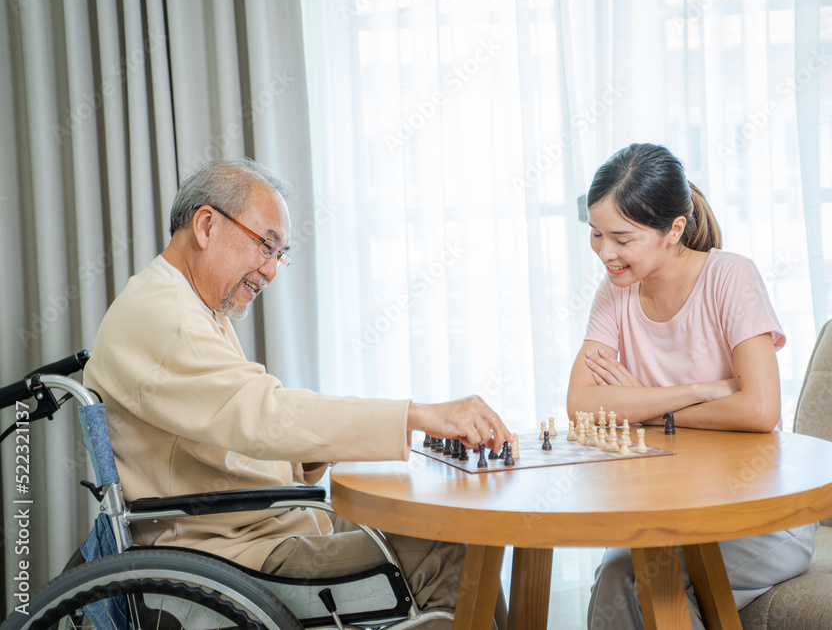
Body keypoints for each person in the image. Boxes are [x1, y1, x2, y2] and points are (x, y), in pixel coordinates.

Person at [83, 158, 511, 629]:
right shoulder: (164, 315)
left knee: (444, 524)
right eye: (266, 245)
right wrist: (420, 416)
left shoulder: (185, 303)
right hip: (237, 555)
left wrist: (305, 460)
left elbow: (228, 420)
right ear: (206, 225)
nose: (271, 270)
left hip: (261, 526)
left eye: (280, 254)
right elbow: (264, 414)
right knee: (456, 543)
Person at [566, 143, 816, 630]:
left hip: (758, 517)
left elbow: (759, 410)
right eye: (595, 235)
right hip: (671, 513)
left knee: (645, 587)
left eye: (622, 237)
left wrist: (641, 404)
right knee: (617, 574)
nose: (605, 252)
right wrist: (704, 390)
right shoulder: (616, 291)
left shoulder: (730, 276)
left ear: (674, 229)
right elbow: (582, 405)